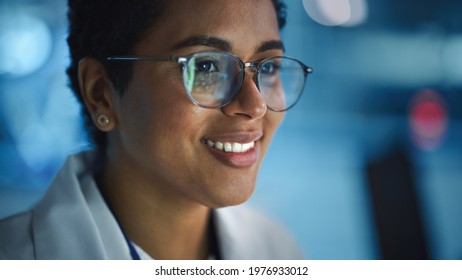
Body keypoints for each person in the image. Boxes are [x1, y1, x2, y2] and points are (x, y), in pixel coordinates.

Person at [0, 0, 312, 259]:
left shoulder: (276, 250)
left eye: (268, 66)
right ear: (101, 94)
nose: (255, 105)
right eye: (206, 66)